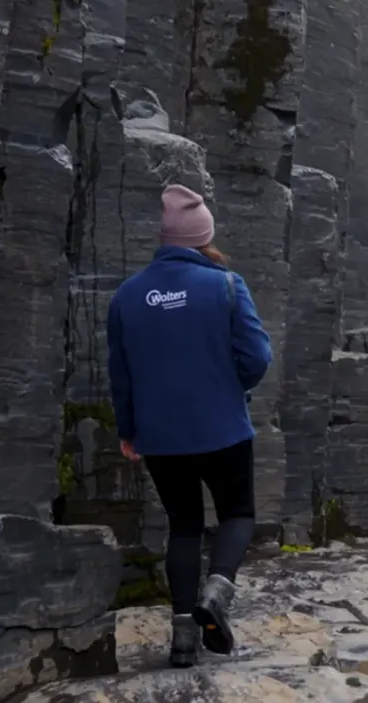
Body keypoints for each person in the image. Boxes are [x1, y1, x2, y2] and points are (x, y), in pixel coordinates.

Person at [107, 184, 273, 668]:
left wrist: (128, 430)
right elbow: (257, 358)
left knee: (183, 526)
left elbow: (121, 374)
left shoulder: (127, 296)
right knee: (237, 513)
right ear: (204, 236)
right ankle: (216, 593)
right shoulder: (226, 285)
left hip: (160, 436)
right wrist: (233, 388)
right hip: (223, 427)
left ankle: (183, 642)